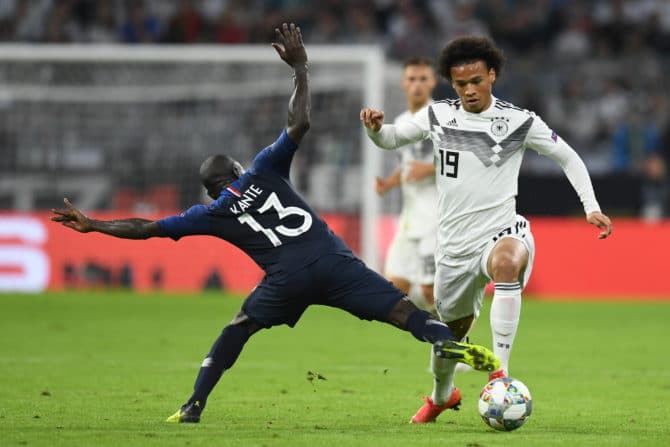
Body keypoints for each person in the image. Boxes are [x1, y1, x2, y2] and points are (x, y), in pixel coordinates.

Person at [51, 24, 500, 424]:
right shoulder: (264, 169)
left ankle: (193, 405)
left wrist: (93, 225)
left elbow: (146, 228)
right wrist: (300, 67)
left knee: (238, 327)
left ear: (211, 189)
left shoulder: (209, 212)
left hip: (286, 280)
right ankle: (444, 341)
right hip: (332, 260)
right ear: (239, 167)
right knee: (406, 313)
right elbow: (300, 121)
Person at [360, 36, 612, 424]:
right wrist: (376, 129)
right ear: (452, 84)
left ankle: (501, 375)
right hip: (454, 248)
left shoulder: (519, 120)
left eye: (476, 80)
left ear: (492, 75)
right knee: (448, 339)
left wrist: (591, 206)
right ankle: (441, 396)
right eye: (461, 84)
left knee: (507, 265)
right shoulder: (438, 115)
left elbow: (567, 155)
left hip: (501, 230)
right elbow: (392, 138)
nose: (469, 90)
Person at [375, 57, 438, 313]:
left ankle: (452, 334)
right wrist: (389, 182)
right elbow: (408, 164)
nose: (417, 85)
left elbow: (465, 161)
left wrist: (431, 168)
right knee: (395, 286)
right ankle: (433, 331)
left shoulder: (441, 118)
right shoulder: (401, 122)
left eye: (423, 79)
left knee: (429, 291)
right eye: (412, 79)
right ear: (403, 83)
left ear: (433, 82)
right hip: (410, 217)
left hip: (436, 218)